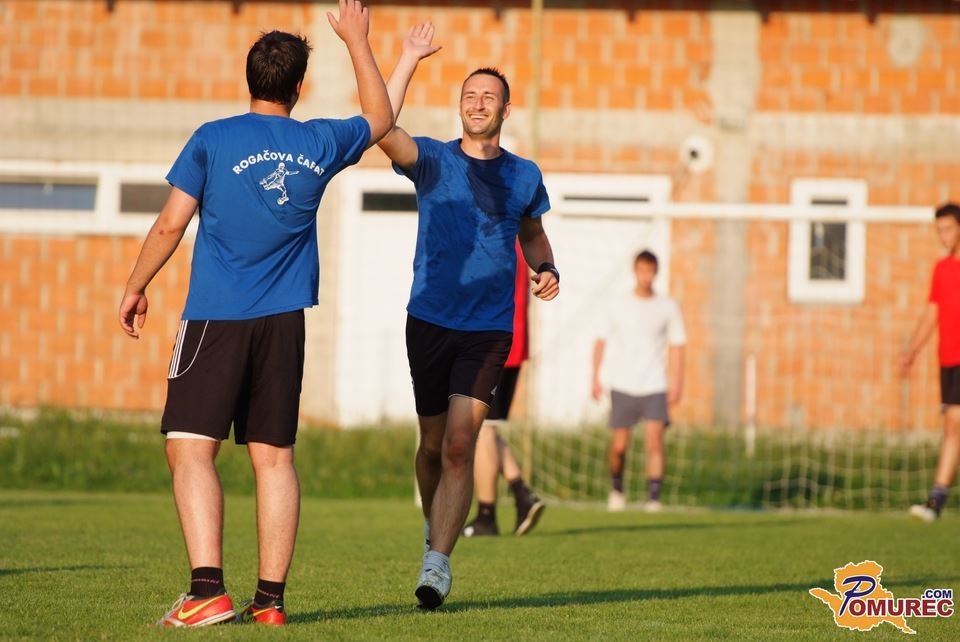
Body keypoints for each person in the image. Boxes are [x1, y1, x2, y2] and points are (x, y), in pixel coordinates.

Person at [118, 1, 393, 627]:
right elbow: (381, 117)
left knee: (190, 449)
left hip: (215, 319)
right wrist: (357, 40)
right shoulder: (320, 140)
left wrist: (136, 285)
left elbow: (170, 224)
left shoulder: (213, 138)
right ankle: (269, 603)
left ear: (250, 78)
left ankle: (207, 591)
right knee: (273, 459)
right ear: (298, 88)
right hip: (284, 323)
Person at [377, 23, 560, 609]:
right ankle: (434, 527)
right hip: (429, 320)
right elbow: (379, 126)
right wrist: (408, 58)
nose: (478, 104)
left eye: (489, 97)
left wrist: (546, 265)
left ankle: (437, 563)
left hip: (489, 330)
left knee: (461, 443)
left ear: (506, 109)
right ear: (460, 105)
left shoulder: (524, 174)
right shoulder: (431, 159)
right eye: (470, 96)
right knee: (432, 445)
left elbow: (532, 232)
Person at [591, 250, 686, 513]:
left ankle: (654, 499)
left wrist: (677, 382)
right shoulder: (618, 304)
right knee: (619, 447)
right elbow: (600, 341)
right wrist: (595, 377)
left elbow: (678, 345)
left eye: (650, 271)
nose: (646, 276)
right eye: (642, 270)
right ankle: (617, 490)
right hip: (623, 383)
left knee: (655, 442)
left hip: (655, 384)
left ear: (656, 273)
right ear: (635, 271)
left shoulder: (668, 306)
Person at [463, 248, 545, 538]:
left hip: (492, 347)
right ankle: (522, 494)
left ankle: (487, 517)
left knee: (483, 430)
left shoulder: (494, 242)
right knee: (486, 427)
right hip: (511, 346)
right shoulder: (519, 243)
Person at [903, 202, 960, 522]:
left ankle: (936, 500)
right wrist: (912, 350)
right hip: (948, 359)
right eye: (939, 230)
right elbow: (932, 313)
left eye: (948, 229)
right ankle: (936, 502)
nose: (943, 235)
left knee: (955, 421)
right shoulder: (941, 269)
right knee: (951, 426)